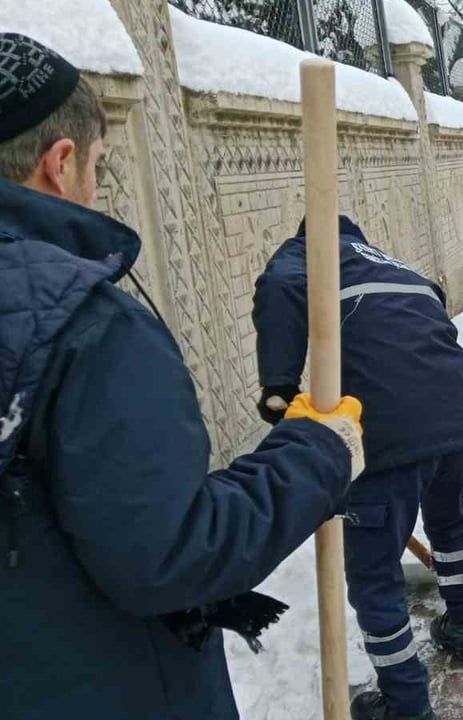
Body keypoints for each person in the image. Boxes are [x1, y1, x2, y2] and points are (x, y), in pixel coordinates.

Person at [0, 33, 365, 720]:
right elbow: (169, 553)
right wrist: (320, 452)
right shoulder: (86, 329)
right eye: (100, 168)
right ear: (61, 160)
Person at [253, 215, 463, 720]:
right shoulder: (397, 266)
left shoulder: (307, 255)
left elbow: (276, 289)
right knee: (449, 521)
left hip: (386, 431)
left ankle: (405, 702)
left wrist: (277, 390)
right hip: (459, 415)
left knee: (374, 575)